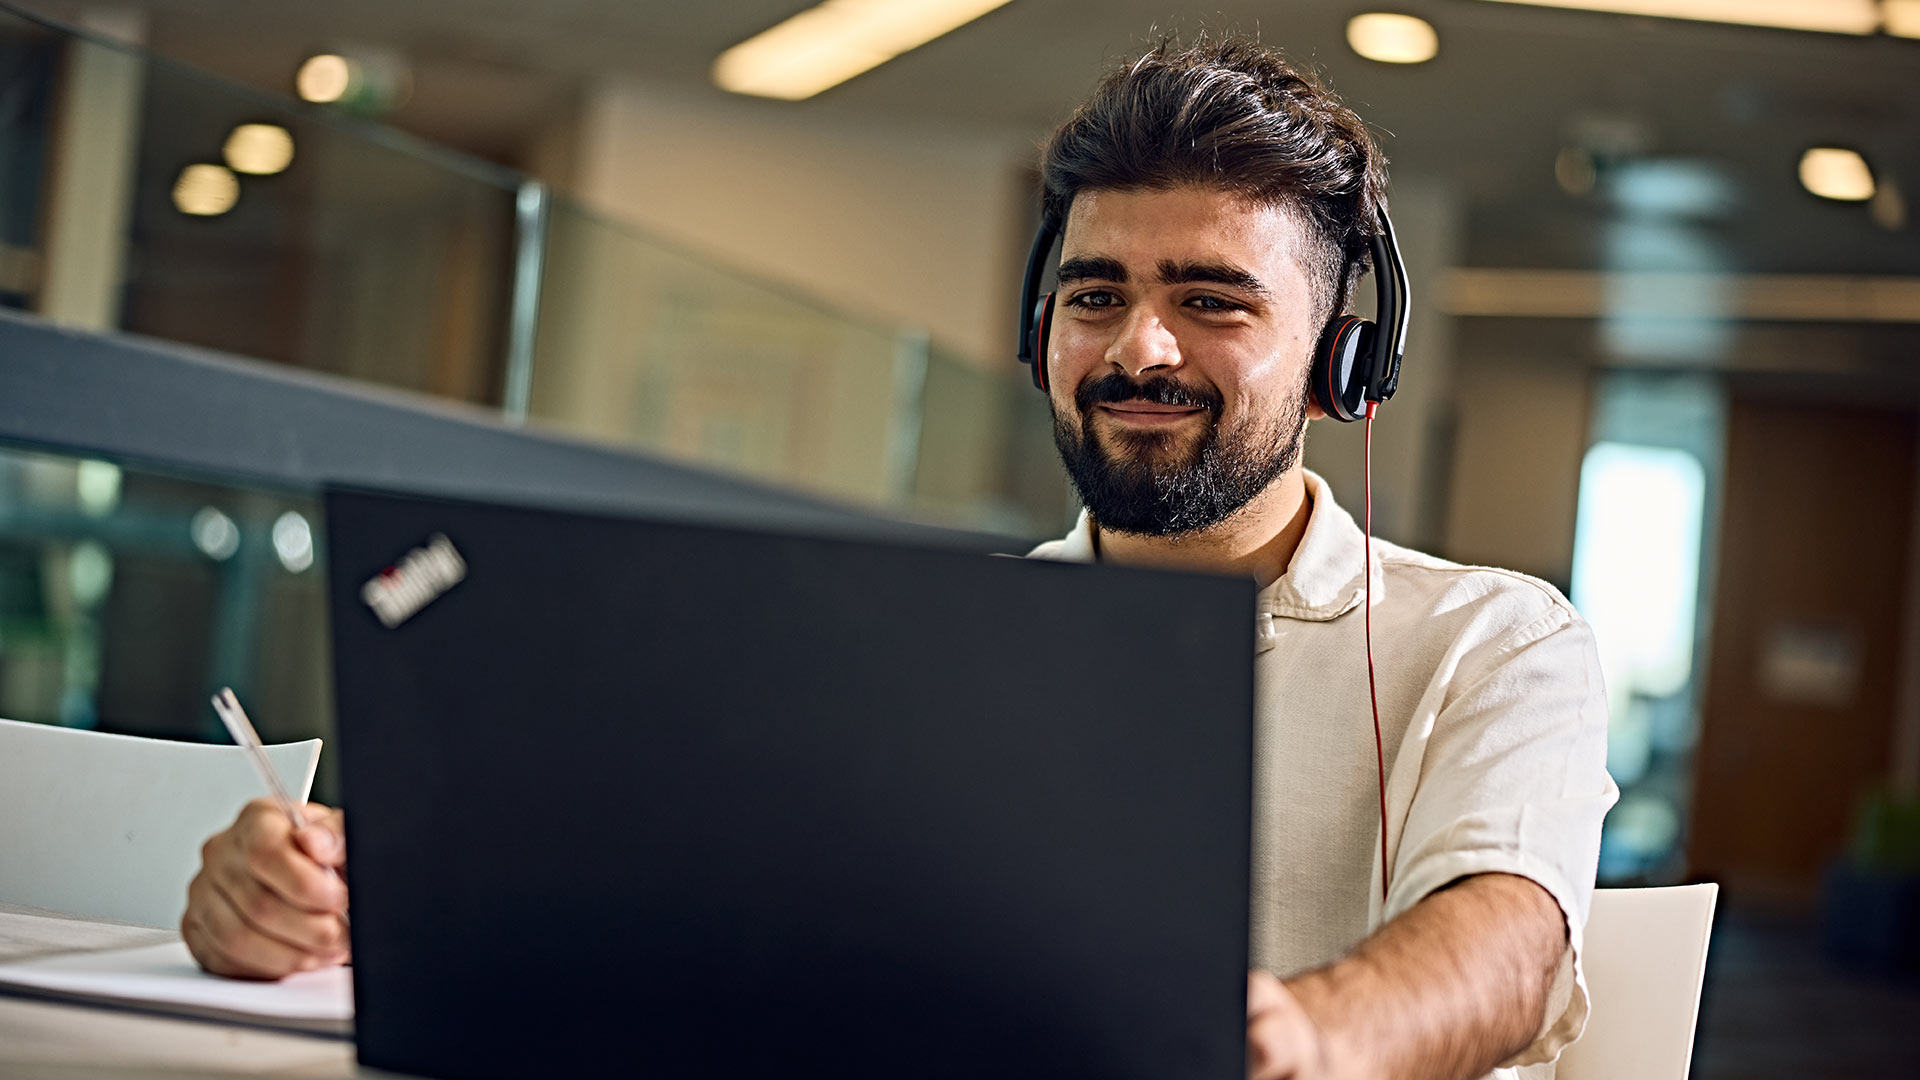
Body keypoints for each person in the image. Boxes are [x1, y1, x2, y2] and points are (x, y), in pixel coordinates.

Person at [183, 33, 1615, 1080]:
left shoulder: (1494, 640)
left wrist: (1317, 1030)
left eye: (1212, 299)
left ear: (1339, 364)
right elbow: (675, 895)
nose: (1138, 347)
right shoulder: (930, 645)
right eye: (1095, 293)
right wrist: (331, 906)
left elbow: (1503, 939)